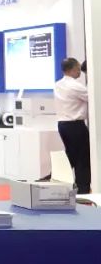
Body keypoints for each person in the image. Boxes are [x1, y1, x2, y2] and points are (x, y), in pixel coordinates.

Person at [55, 57, 91, 194]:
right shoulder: (75, 86)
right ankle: (83, 191)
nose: (80, 72)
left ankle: (57, 184)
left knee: (71, 156)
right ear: (73, 69)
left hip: (62, 125)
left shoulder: (58, 85)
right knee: (82, 158)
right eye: (78, 69)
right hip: (75, 126)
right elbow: (93, 97)